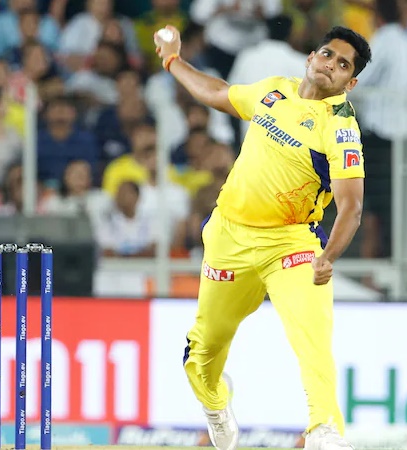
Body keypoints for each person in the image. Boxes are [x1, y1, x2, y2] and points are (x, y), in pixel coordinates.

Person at [153, 23, 371, 450]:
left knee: (312, 336)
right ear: (311, 57)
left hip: (291, 243)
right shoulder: (275, 90)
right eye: (328, 54)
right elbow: (219, 94)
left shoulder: (340, 127)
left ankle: (324, 429)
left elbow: (352, 206)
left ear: (351, 83)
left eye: (344, 65)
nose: (331, 65)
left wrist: (328, 256)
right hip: (229, 238)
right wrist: (172, 60)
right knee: (204, 351)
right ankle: (215, 403)